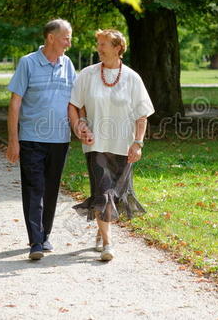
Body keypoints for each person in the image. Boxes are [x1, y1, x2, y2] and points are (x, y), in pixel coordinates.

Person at [68, 29, 154, 262]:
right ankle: (108, 243)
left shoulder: (132, 78)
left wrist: (138, 143)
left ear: (118, 48)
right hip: (96, 145)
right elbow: (75, 105)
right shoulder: (87, 74)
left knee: (115, 195)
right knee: (102, 192)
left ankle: (100, 229)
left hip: (123, 145)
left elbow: (142, 115)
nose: (99, 47)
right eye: (98, 43)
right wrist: (80, 126)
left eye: (104, 43)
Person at [6, 19, 76, 260]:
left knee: (51, 190)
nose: (69, 41)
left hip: (60, 139)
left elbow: (73, 104)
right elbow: (15, 103)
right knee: (34, 188)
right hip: (31, 139)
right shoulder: (28, 63)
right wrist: (13, 140)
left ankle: (44, 235)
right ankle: (36, 241)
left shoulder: (68, 64)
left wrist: (81, 127)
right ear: (50, 38)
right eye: (66, 37)